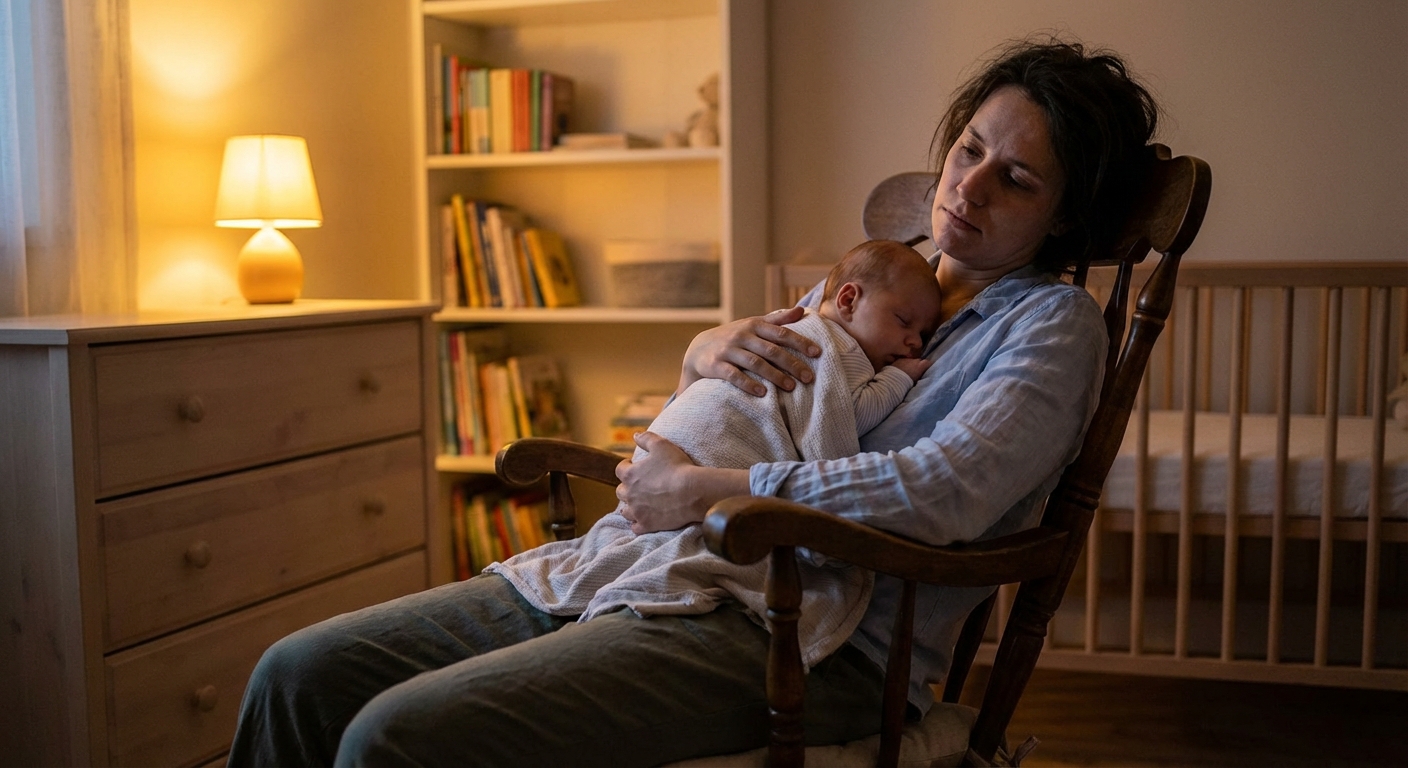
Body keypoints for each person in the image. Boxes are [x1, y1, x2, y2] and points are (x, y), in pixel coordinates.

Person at [229, 37, 1160, 768]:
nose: (970, 186)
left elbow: (945, 492)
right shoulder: (880, 282)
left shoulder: (1052, 326)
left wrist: (711, 491)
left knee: (392, 739)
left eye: (1018, 179)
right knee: (298, 676)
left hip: (812, 636)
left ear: (1065, 217)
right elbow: (741, 402)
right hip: (650, 565)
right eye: (969, 149)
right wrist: (698, 352)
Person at [485, 239, 941, 671]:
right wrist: (899, 379)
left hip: (662, 466)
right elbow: (852, 415)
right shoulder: (835, 348)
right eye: (904, 322)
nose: (915, 343)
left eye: (922, 333)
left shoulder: (795, 329)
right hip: (704, 453)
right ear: (847, 301)